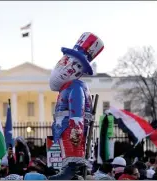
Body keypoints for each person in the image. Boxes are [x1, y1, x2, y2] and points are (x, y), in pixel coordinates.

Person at [48, 32, 104, 180]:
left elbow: (77, 115)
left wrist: (75, 133)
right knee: (65, 150)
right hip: (63, 127)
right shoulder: (66, 87)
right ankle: (69, 167)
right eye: (68, 60)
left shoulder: (75, 87)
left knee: (70, 150)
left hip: (69, 127)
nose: (69, 67)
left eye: (77, 65)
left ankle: (72, 168)